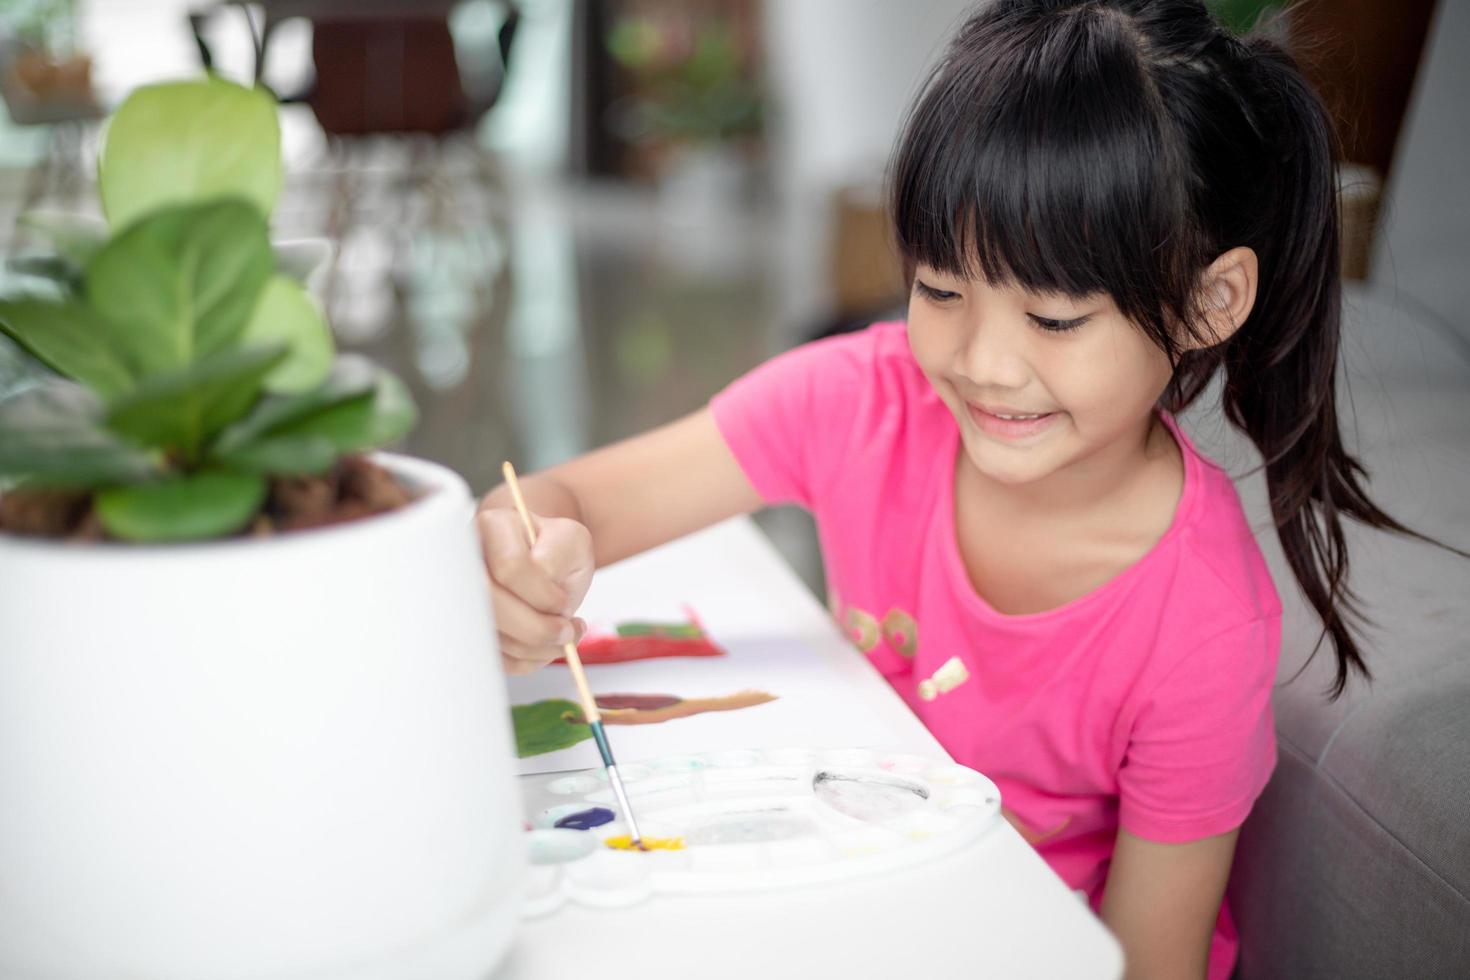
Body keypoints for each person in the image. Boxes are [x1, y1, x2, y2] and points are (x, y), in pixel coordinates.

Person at [476, 2, 1458, 976]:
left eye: (1056, 317)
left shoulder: (1202, 620)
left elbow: (1146, 961)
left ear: (1209, 302)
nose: (984, 362)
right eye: (942, 290)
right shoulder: (861, 398)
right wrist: (522, 557)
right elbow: (568, 499)